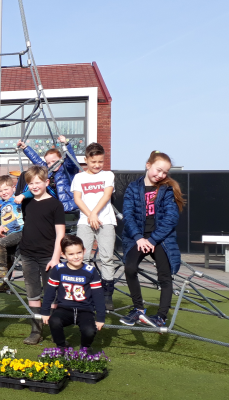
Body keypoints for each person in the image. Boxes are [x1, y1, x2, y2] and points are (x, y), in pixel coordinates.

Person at [119, 151, 185, 329]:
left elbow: (171, 218)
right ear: (148, 165)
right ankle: (138, 309)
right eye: (158, 170)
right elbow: (128, 215)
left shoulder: (167, 190)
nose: (161, 175)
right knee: (130, 267)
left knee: (165, 276)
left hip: (160, 239)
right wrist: (139, 238)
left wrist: (153, 240)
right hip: (139, 239)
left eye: (165, 172)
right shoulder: (133, 187)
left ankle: (161, 317)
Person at [18, 165, 66, 345]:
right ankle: (35, 331)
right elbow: (18, 222)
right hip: (28, 255)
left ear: (47, 182)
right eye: (30, 183)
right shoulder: (26, 202)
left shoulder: (55, 204)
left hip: (48, 257)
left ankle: (54, 329)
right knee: (32, 293)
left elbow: (60, 234)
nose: (34, 186)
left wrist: (55, 257)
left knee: (51, 295)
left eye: (38, 182)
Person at [71, 142, 117, 311]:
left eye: (100, 162)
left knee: (106, 258)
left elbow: (106, 196)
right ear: (86, 160)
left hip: (105, 221)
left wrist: (94, 214)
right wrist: (90, 215)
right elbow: (77, 199)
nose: (97, 165)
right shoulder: (79, 178)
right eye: (93, 162)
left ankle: (107, 296)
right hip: (85, 222)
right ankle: (83, 290)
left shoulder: (108, 175)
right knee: (82, 258)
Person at [41, 235, 105, 351]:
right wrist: (45, 311)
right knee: (54, 321)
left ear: (84, 251)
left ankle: (85, 348)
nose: (76, 257)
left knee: (90, 331)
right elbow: (50, 292)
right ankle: (61, 346)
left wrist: (100, 317)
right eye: (71, 254)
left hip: (85, 310)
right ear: (63, 255)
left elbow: (98, 296)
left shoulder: (91, 271)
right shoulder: (58, 270)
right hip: (64, 308)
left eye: (79, 252)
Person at [17, 135, 80, 212]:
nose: (51, 164)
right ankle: (20, 199)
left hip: (65, 202)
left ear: (61, 159)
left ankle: (22, 199)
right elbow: (36, 160)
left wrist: (66, 144)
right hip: (52, 199)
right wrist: (25, 148)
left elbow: (72, 161)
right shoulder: (48, 169)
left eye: (54, 161)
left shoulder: (67, 169)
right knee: (29, 175)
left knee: (39, 181)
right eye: (48, 163)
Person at [0, 175, 32, 290]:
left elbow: (32, 193)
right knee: (9, 258)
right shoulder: (0, 204)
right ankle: (6, 284)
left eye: (6, 189)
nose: (3, 192)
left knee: (0, 243)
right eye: (0, 190)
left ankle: (2, 269)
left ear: (13, 188)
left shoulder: (17, 199)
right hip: (10, 234)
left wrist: (22, 195)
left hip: (21, 231)